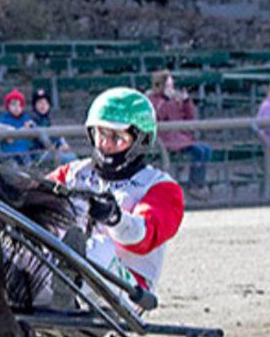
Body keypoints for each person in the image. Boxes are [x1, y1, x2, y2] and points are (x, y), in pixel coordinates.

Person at [47, 88, 185, 296]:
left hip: (130, 289)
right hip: (66, 270)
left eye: (117, 138)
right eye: (101, 134)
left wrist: (115, 218)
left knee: (98, 248)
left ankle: (68, 285)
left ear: (141, 141)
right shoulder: (73, 173)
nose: (106, 145)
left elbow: (143, 237)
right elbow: (32, 201)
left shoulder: (161, 187)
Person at [147, 71, 210, 197]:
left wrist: (186, 102)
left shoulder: (175, 100)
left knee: (205, 149)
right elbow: (158, 114)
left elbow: (190, 118)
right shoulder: (153, 100)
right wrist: (166, 100)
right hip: (165, 140)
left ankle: (198, 183)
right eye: (168, 86)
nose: (171, 90)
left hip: (181, 138)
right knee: (199, 151)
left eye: (172, 86)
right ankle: (195, 185)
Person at [7, 88, 73, 164]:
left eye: (45, 103)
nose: (43, 106)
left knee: (70, 156)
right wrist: (56, 146)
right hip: (36, 156)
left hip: (46, 153)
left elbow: (55, 137)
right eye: (40, 103)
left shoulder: (46, 120)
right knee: (69, 158)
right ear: (35, 105)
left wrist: (61, 144)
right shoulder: (31, 120)